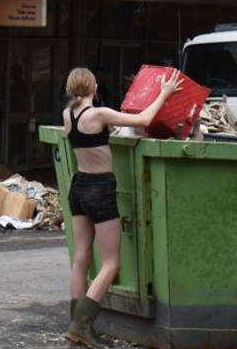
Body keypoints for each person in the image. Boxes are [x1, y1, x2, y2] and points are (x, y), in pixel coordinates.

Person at [61, 66, 182, 348]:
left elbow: (89, 138)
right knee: (112, 263)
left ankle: (75, 324)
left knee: (81, 258)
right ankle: (82, 326)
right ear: (94, 87)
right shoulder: (99, 114)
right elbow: (144, 118)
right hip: (100, 188)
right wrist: (163, 92)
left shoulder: (68, 115)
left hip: (78, 187)